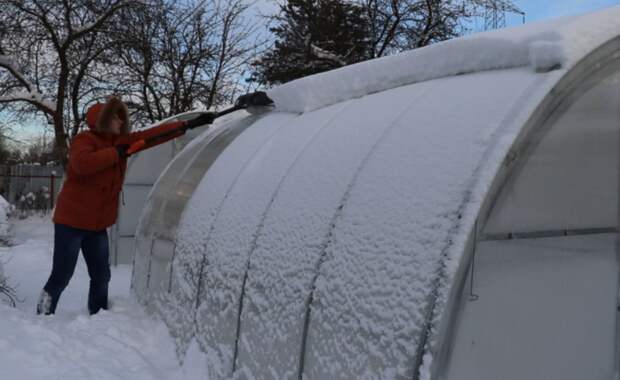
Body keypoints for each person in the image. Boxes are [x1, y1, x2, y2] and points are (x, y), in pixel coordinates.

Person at [37, 96, 215, 315]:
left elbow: (152, 137)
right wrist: (116, 154)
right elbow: (82, 164)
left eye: (122, 118)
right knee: (62, 275)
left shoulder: (121, 142)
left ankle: (98, 314)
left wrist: (188, 125)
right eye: (116, 118)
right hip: (71, 223)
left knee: (102, 275)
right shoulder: (85, 140)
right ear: (103, 120)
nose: (121, 122)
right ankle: (43, 316)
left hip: (97, 226)